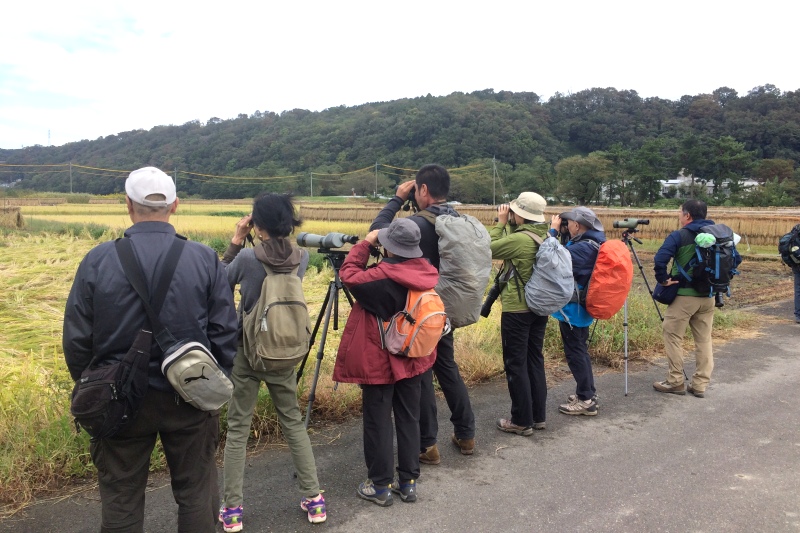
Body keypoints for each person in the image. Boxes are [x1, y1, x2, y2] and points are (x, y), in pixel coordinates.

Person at [63, 166, 239, 533]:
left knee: (121, 498)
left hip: (119, 399)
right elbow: (225, 333)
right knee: (195, 492)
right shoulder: (205, 259)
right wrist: (210, 386)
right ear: (175, 206)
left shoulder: (97, 260)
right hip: (190, 397)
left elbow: (77, 341)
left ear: (128, 205)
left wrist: (93, 384)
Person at [219, 193, 326, 530]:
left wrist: (236, 241)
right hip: (285, 351)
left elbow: (218, 283)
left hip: (249, 353)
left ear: (258, 225)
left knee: (238, 429)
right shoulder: (303, 257)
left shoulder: (248, 258)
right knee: (293, 424)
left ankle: (233, 510)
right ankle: (315, 500)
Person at [370, 164, 476, 463]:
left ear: (423, 190)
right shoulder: (456, 219)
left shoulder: (418, 223)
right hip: (445, 308)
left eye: (416, 190)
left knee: (421, 374)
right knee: (447, 368)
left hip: (419, 311)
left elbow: (376, 233)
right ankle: (466, 434)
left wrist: (395, 199)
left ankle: (427, 445)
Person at [333, 218, 439, 506]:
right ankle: (408, 483)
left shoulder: (378, 279)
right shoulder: (427, 272)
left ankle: (380, 486)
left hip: (380, 360)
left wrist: (366, 243)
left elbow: (349, 273)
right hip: (415, 356)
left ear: (389, 248)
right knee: (409, 417)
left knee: (378, 421)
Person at [652, 199, 740, 398]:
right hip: (709, 296)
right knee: (703, 340)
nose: (679, 216)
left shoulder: (679, 235)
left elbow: (660, 259)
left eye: (680, 213)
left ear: (688, 216)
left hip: (683, 297)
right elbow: (735, 259)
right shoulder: (720, 234)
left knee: (673, 336)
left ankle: (675, 381)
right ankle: (700, 384)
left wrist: (663, 279)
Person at [488, 193, 551, 435]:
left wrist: (501, 223)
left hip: (517, 310)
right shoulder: (543, 235)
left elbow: (489, 248)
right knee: (535, 360)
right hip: (539, 307)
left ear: (520, 214)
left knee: (516, 364)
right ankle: (538, 416)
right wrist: (512, 223)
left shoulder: (520, 240)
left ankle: (521, 420)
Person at [549, 207, 605, 416]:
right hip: (580, 310)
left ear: (577, 225)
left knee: (576, 353)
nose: (567, 225)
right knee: (580, 350)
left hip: (574, 311)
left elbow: (552, 259)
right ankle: (587, 392)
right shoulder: (591, 243)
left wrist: (553, 233)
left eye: (569, 222)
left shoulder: (583, 249)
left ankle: (586, 400)